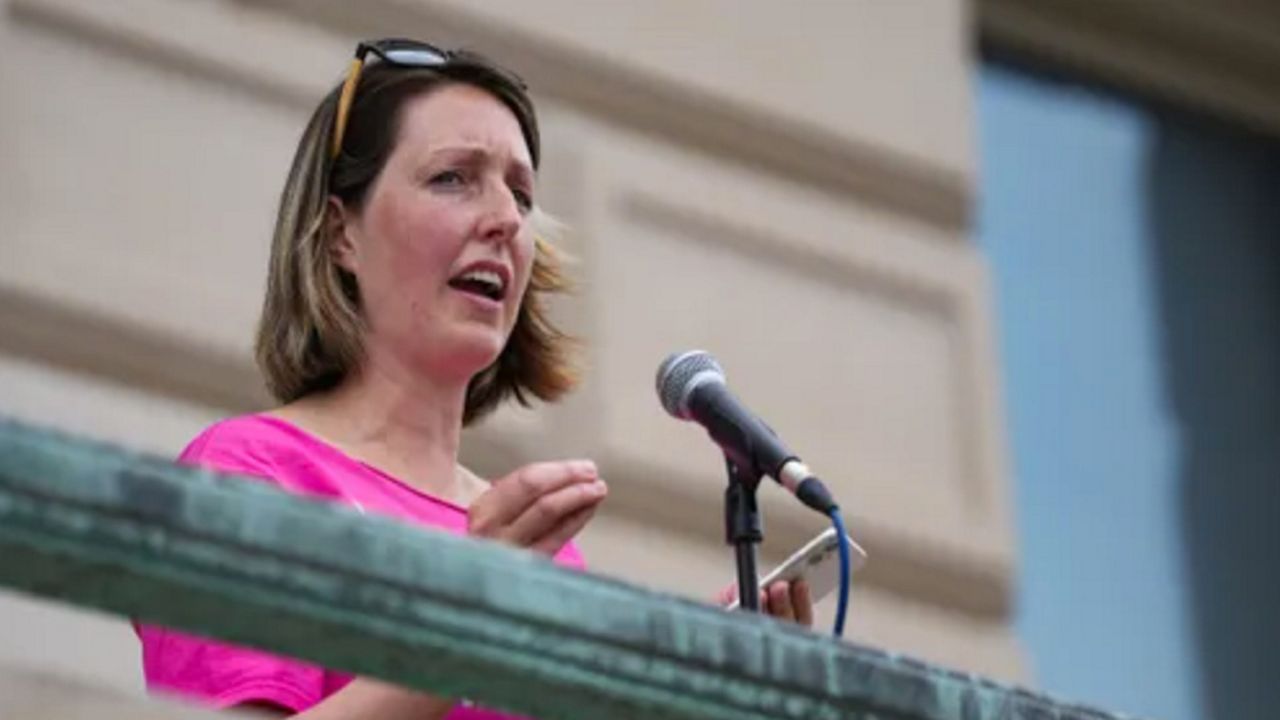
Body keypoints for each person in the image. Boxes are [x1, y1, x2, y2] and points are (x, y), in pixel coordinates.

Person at [136, 38, 813, 720]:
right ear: (341, 232)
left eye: (521, 194)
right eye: (453, 178)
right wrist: (465, 626)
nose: (506, 222)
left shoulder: (536, 544)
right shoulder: (249, 472)